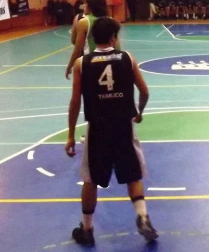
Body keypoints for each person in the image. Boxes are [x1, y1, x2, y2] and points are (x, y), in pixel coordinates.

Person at [65, 17, 158, 246]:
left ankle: (87, 230)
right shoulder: (127, 58)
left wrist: (69, 135)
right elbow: (144, 92)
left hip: (97, 128)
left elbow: (75, 102)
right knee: (132, 173)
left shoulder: (81, 64)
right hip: (123, 126)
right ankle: (143, 217)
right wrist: (139, 112)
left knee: (91, 179)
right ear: (114, 37)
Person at [66, 0, 114, 79]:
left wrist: (70, 65)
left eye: (85, 3)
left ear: (91, 6)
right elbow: (116, 47)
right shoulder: (111, 20)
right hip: (109, 62)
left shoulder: (84, 21)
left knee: (89, 90)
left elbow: (77, 48)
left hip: (91, 63)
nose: (83, 5)